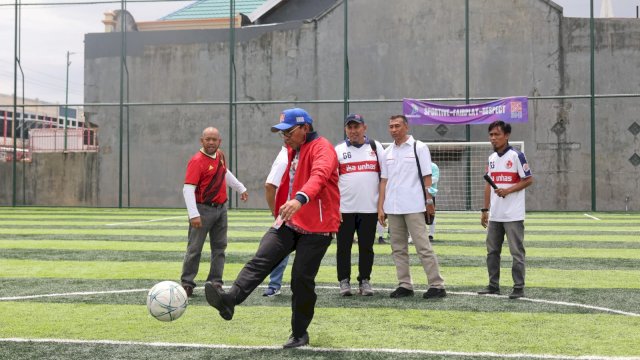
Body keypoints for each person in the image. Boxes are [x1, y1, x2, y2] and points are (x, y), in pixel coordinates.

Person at [204, 108, 340, 349]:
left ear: (305, 128)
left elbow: (318, 177)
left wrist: (299, 199)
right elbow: (273, 182)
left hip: (318, 227)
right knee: (262, 258)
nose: (284, 136)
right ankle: (229, 300)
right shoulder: (289, 149)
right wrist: (280, 211)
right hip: (289, 221)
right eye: (281, 132)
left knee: (301, 280)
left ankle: (299, 333)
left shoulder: (323, 148)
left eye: (289, 131)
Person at [377, 115, 446, 299]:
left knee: (423, 246)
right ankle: (405, 284)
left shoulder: (419, 147)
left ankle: (437, 285)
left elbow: (427, 177)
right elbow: (383, 181)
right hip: (393, 207)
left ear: (406, 127)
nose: (393, 129)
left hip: (414, 205)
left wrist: (429, 201)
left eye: (397, 126)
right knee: (398, 248)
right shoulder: (387, 151)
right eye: (391, 126)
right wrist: (381, 206)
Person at [181, 127, 249, 297]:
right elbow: (188, 189)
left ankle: (215, 283)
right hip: (202, 210)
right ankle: (187, 284)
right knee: (194, 248)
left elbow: (224, 173)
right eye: (207, 139)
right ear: (201, 141)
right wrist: (194, 214)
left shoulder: (220, 155)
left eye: (214, 139)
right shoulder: (196, 161)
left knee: (219, 248)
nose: (211, 142)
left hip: (221, 209)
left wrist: (240, 188)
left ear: (220, 141)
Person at [478, 120, 533, 299]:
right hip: (495, 215)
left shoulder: (517, 155)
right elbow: (488, 184)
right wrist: (485, 209)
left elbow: (528, 179)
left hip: (513, 215)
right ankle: (493, 285)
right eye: (491, 135)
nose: (493, 138)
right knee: (492, 251)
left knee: (516, 252)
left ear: (507, 136)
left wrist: (508, 190)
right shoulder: (492, 158)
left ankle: (518, 287)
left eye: (497, 135)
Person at [334, 114, 384, 297]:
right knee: (343, 247)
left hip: (369, 210)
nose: (353, 131)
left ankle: (365, 280)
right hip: (344, 210)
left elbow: (384, 178)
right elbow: (332, 181)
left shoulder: (375, 147)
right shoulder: (338, 150)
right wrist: (335, 208)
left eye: (357, 127)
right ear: (346, 129)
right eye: (350, 127)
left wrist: (380, 207)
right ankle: (343, 281)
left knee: (366, 247)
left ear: (365, 127)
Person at [263, 146, 290, 297]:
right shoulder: (284, 157)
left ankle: (274, 285)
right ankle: (274, 284)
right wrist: (276, 214)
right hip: (291, 212)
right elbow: (269, 186)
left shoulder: (295, 153)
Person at [428, 162, 439, 242]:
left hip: (430, 193)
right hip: (417, 194)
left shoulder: (433, 166)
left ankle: (431, 235)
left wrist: (423, 182)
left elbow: (435, 179)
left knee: (431, 213)